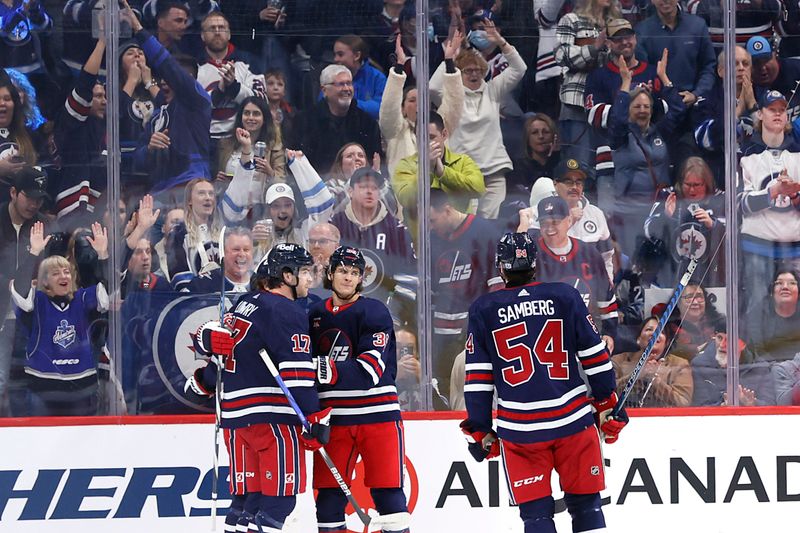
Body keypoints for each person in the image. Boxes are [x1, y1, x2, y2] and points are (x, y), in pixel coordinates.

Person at [462, 231, 626, 533]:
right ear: (535, 265)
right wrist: (606, 401)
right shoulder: (565, 296)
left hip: (521, 432)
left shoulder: (483, 310)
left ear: (501, 268)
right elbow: (595, 355)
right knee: (587, 507)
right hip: (573, 424)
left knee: (536, 517)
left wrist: (480, 427)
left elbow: (478, 379)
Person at [185, 242, 330, 532]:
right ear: (287, 276)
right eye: (304, 272)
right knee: (279, 502)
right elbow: (297, 373)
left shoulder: (244, 303)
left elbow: (224, 355)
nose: (310, 279)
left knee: (248, 501)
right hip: (273, 419)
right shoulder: (286, 311)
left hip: (237, 423)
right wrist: (314, 418)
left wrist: (202, 382)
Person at [308, 246, 410, 533]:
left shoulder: (374, 311)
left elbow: (368, 371)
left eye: (354, 273)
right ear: (330, 274)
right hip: (334, 418)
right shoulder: (314, 314)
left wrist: (317, 367)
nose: (348, 278)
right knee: (328, 498)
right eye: (342, 271)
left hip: (377, 417)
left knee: (387, 494)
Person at [10, 221, 109, 416]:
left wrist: (103, 256)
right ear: (44, 280)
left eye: (66, 271)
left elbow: (108, 296)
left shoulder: (81, 298)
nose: (63, 276)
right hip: (43, 389)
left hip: (82, 388)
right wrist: (34, 254)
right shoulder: (37, 301)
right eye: (55, 273)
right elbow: (21, 295)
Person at [431, 18, 525, 219]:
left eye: (478, 70)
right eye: (468, 70)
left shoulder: (493, 90)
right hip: (463, 173)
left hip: (493, 172)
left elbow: (520, 69)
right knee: (464, 225)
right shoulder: (451, 97)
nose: (474, 74)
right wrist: (450, 56)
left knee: (489, 227)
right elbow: (431, 88)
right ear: (459, 73)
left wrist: (500, 42)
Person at [125, 1, 212, 196]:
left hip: (190, 185)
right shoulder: (158, 114)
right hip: (159, 193)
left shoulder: (197, 101)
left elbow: (169, 66)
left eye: (172, 76)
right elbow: (137, 160)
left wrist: (139, 29)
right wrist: (149, 148)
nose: (166, 79)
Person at [607, 49, 685, 258]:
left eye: (646, 106)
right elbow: (618, 119)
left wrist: (664, 78)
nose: (643, 110)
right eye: (637, 106)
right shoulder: (621, 135)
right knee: (633, 262)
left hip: (659, 210)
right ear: (629, 109)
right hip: (630, 212)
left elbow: (678, 110)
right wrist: (625, 82)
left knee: (660, 260)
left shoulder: (659, 132)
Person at [429, 188, 504, 400]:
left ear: (447, 209)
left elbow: (497, 287)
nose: (430, 226)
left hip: (474, 332)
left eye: (433, 220)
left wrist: (485, 327)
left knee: (477, 392)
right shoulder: (432, 238)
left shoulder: (485, 232)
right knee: (445, 392)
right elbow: (431, 291)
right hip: (442, 335)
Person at [529, 195, 619, 351]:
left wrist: (609, 332)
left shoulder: (589, 253)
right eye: (544, 224)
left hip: (584, 336)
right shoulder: (531, 255)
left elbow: (605, 297)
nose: (550, 229)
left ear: (569, 222)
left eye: (555, 223)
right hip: (542, 340)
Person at [739, 89, 800, 311]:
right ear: (760, 115)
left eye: (782, 110)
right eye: (771, 109)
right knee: (756, 303)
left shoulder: (798, 155)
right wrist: (772, 193)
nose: (777, 114)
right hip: (758, 245)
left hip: (796, 246)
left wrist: (793, 193)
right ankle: (755, 347)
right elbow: (738, 204)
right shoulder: (746, 155)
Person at [0, 166, 54, 415]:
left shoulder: (45, 225)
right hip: (2, 314)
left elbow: (53, 269)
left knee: (29, 385)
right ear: (13, 192)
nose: (34, 204)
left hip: (33, 319)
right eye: (29, 197)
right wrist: (10, 285)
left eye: (39, 198)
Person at [380, 31, 464, 178]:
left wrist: (449, 62)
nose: (418, 105)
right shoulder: (395, 131)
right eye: (412, 100)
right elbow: (389, 108)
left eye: (422, 100)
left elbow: (454, 104)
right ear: (403, 109)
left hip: (440, 195)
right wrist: (399, 67)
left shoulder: (440, 127)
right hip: (404, 197)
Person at [330, 167, 416, 308]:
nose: (370, 191)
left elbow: (410, 275)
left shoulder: (396, 229)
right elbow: (325, 270)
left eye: (374, 188)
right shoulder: (336, 224)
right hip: (341, 309)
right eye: (363, 187)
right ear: (350, 192)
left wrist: (394, 311)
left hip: (382, 310)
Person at [392, 111, 486, 239]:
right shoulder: (405, 165)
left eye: (431, 137)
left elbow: (479, 189)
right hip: (420, 239)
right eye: (421, 138)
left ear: (444, 134)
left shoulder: (463, 161)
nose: (426, 143)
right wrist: (427, 170)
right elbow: (406, 198)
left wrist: (443, 173)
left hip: (460, 237)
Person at [554, 0, 622, 173]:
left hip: (607, 106)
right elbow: (562, 56)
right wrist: (595, 47)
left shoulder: (615, 24)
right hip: (577, 103)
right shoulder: (570, 20)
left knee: (606, 166)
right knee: (578, 166)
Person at [521, 159, 614, 281]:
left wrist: (608, 286)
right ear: (555, 184)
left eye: (578, 182)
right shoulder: (538, 212)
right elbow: (529, 254)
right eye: (568, 182)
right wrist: (567, 222)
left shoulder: (595, 214)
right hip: (550, 284)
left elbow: (606, 257)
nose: (574, 187)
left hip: (588, 287)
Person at [644, 157, 726, 285]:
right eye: (687, 185)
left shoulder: (720, 199)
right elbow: (648, 232)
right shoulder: (668, 196)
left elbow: (734, 236)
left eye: (697, 185)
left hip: (710, 276)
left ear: (707, 183)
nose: (692, 190)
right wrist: (666, 216)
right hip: (671, 274)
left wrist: (713, 225)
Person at [289, 64, 382, 175]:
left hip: (357, 186)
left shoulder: (367, 123)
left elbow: (374, 162)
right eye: (340, 84)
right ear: (324, 90)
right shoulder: (304, 121)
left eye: (349, 83)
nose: (347, 88)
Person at [54, 35, 107, 228]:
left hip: (93, 210)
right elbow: (85, 83)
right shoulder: (70, 121)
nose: (104, 101)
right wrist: (102, 42)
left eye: (105, 96)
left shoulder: (97, 126)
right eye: (98, 96)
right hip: (73, 209)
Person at [693, 46, 763, 187]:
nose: (741, 68)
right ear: (721, 71)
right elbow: (704, 139)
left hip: (759, 176)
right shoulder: (707, 101)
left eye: (745, 63)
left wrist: (753, 107)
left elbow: (774, 140)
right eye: (734, 63)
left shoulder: (765, 97)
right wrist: (738, 110)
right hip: (722, 179)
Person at [635, 0, 716, 108]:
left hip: (694, 105)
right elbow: (643, 72)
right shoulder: (642, 31)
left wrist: (696, 94)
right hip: (658, 106)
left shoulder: (698, 26)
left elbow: (708, 66)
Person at [197, 11, 261, 143]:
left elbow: (261, 99)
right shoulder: (195, 65)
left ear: (229, 34)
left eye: (221, 28)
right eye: (212, 28)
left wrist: (234, 86)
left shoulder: (248, 61)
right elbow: (191, 104)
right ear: (202, 36)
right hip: (203, 139)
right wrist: (219, 91)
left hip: (239, 139)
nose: (217, 32)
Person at [612, 315, 693, 407]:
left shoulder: (680, 365)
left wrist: (656, 381)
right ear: (638, 339)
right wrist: (637, 375)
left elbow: (683, 403)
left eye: (661, 331)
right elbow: (607, 393)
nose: (654, 333)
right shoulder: (618, 360)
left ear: (667, 342)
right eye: (649, 329)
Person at [692, 317, 775, 406]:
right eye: (719, 338)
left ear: (743, 345)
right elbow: (697, 407)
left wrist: (753, 404)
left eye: (729, 340)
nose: (722, 345)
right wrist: (721, 407)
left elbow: (772, 405)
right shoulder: (699, 365)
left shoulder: (760, 367)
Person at [217, 97, 286, 200]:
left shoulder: (274, 147)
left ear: (264, 119)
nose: (251, 117)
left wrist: (270, 172)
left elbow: (282, 184)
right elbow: (216, 184)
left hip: (260, 208)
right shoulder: (226, 144)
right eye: (246, 113)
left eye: (256, 114)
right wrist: (220, 181)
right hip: (229, 205)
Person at [503, 113, 560, 219]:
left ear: (554, 137)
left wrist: (553, 158)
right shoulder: (517, 167)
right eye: (534, 132)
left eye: (546, 132)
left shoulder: (561, 164)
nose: (541, 136)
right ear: (527, 139)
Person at [745, 267, 800, 363]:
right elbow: (757, 350)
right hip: (766, 370)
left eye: (792, 283)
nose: (785, 287)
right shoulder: (758, 314)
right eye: (779, 283)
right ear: (772, 291)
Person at [183, 226, 254, 294]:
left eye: (246, 250)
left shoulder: (260, 282)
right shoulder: (202, 284)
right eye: (236, 249)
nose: (242, 254)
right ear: (223, 252)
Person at [331, 34, 386, 120]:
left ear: (356, 56)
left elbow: (382, 109)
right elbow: (324, 103)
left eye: (340, 54)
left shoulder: (377, 77)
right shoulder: (331, 76)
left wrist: (349, 103)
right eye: (335, 55)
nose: (335, 59)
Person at [668, 282, 724, 361]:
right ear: (678, 303)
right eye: (689, 297)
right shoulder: (668, 330)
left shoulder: (720, 323)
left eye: (699, 297)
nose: (695, 302)